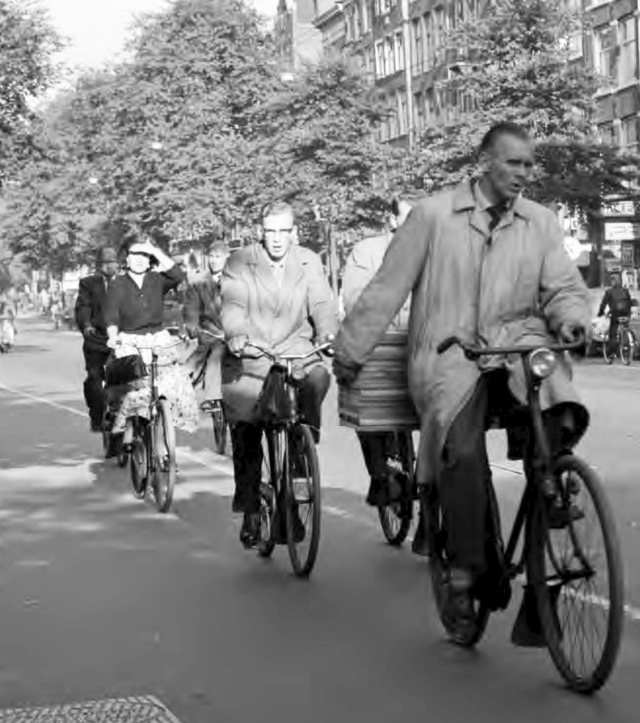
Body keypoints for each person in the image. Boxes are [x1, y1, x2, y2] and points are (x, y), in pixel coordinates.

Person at [333, 122, 591, 638]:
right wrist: (351, 353)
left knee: (557, 408)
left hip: (518, 346)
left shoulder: (539, 222)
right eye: (513, 163)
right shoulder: (432, 216)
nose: (523, 173)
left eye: (528, 164)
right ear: (485, 161)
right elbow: (387, 289)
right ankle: (468, 564)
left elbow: (562, 285)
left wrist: (571, 318)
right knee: (462, 449)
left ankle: (551, 484)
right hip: (451, 351)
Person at [221, 204, 338, 548]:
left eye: (282, 231)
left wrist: (327, 333)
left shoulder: (308, 260)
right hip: (252, 355)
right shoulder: (240, 261)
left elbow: (320, 303)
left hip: (295, 350)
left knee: (318, 379)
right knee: (245, 425)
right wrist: (237, 335)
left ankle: (303, 451)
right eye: (269, 231)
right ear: (261, 232)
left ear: (293, 232)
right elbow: (233, 304)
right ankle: (252, 509)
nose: (276, 239)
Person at [339, 207, 422, 543]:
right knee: (362, 392)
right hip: (381, 343)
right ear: (391, 219)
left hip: (423, 346)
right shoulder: (367, 252)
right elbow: (357, 298)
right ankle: (379, 473)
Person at [102, 237, 194, 456]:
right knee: (137, 386)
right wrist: (113, 337)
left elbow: (178, 275)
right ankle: (130, 425)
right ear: (126, 259)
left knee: (170, 383)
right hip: (130, 340)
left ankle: (163, 439)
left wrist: (153, 249)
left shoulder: (156, 279)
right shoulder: (117, 284)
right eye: (135, 254)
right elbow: (112, 317)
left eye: (144, 255)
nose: (140, 259)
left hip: (158, 338)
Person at [74, 248, 122, 432]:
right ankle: (96, 415)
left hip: (123, 339)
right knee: (94, 379)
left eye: (113, 261)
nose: (110, 265)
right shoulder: (88, 284)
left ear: (118, 263)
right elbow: (83, 307)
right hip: (97, 340)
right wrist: (86, 325)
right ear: (99, 265)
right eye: (105, 262)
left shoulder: (127, 283)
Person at [182, 241, 229, 410]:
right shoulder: (198, 282)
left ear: (226, 257)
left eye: (218, 257)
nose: (214, 260)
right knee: (214, 352)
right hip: (211, 333)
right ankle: (212, 396)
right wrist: (192, 327)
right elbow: (191, 308)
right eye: (211, 256)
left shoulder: (238, 278)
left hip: (237, 332)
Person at [597, 272, 634, 358]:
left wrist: (600, 313)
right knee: (625, 328)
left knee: (612, 333)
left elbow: (603, 304)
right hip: (625, 314)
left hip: (615, 314)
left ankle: (611, 352)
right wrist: (629, 313)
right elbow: (629, 302)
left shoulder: (609, 292)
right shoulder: (625, 291)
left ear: (613, 282)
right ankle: (627, 345)